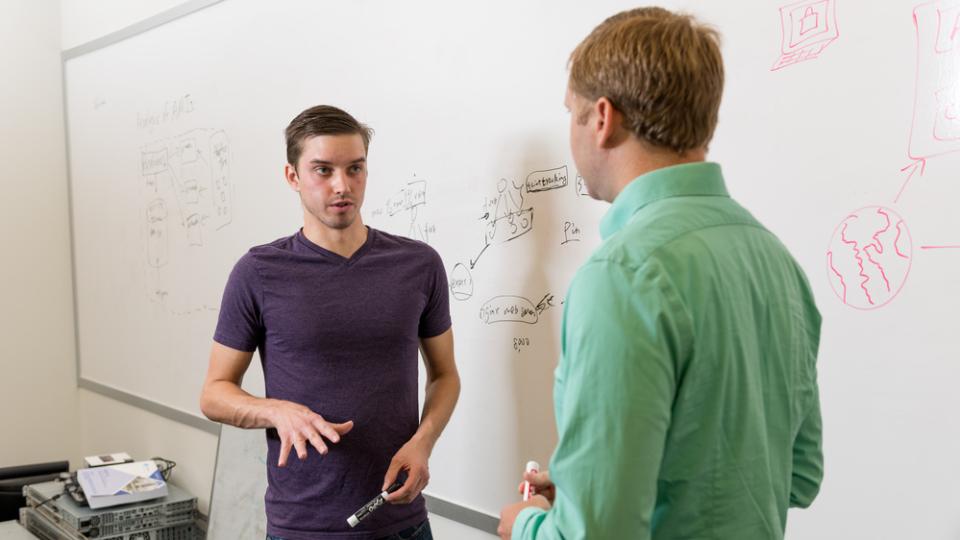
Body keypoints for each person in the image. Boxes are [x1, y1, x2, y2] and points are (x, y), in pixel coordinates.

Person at [498, 7, 823, 540]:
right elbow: (800, 476)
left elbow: (598, 534)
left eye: (571, 113)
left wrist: (527, 526)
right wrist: (589, 482)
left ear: (603, 119)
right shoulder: (775, 259)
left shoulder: (621, 275)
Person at [200, 105, 460, 540]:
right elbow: (214, 394)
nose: (342, 186)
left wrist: (423, 443)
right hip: (302, 526)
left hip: (402, 523)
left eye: (354, 169)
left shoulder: (419, 265)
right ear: (292, 177)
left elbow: (446, 375)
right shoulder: (259, 271)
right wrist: (276, 412)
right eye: (323, 170)